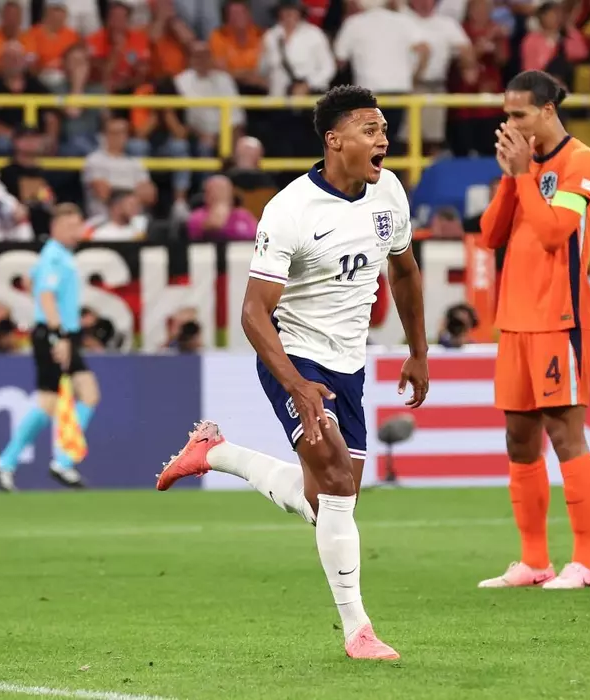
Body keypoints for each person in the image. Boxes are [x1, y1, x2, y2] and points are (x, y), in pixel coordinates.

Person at [154, 86, 429, 660]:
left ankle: (217, 453)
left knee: (329, 500)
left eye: (384, 129)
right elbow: (253, 313)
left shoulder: (389, 194)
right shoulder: (290, 211)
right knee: (336, 485)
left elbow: (403, 272)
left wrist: (418, 350)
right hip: (295, 354)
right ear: (335, 141)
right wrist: (297, 383)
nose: (384, 139)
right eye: (370, 130)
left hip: (349, 364)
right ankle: (358, 630)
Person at [477, 70, 590, 590]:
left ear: (548, 110)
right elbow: (491, 234)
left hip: (560, 318)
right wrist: (513, 178)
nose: (510, 124)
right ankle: (534, 561)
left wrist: (524, 176)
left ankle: (587, 562)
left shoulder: (582, 161)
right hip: (515, 321)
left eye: (520, 114)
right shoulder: (523, 166)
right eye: (506, 115)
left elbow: (555, 233)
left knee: (564, 433)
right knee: (519, 438)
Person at [0, 203, 100, 492]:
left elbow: (32, 282)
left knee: (80, 395)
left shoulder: (56, 255)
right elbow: (47, 295)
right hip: (55, 335)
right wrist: (59, 333)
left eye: (78, 225)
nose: (77, 231)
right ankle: (15, 461)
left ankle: (51, 461)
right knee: (56, 400)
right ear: (56, 227)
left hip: (60, 334)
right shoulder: (54, 256)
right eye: (71, 226)